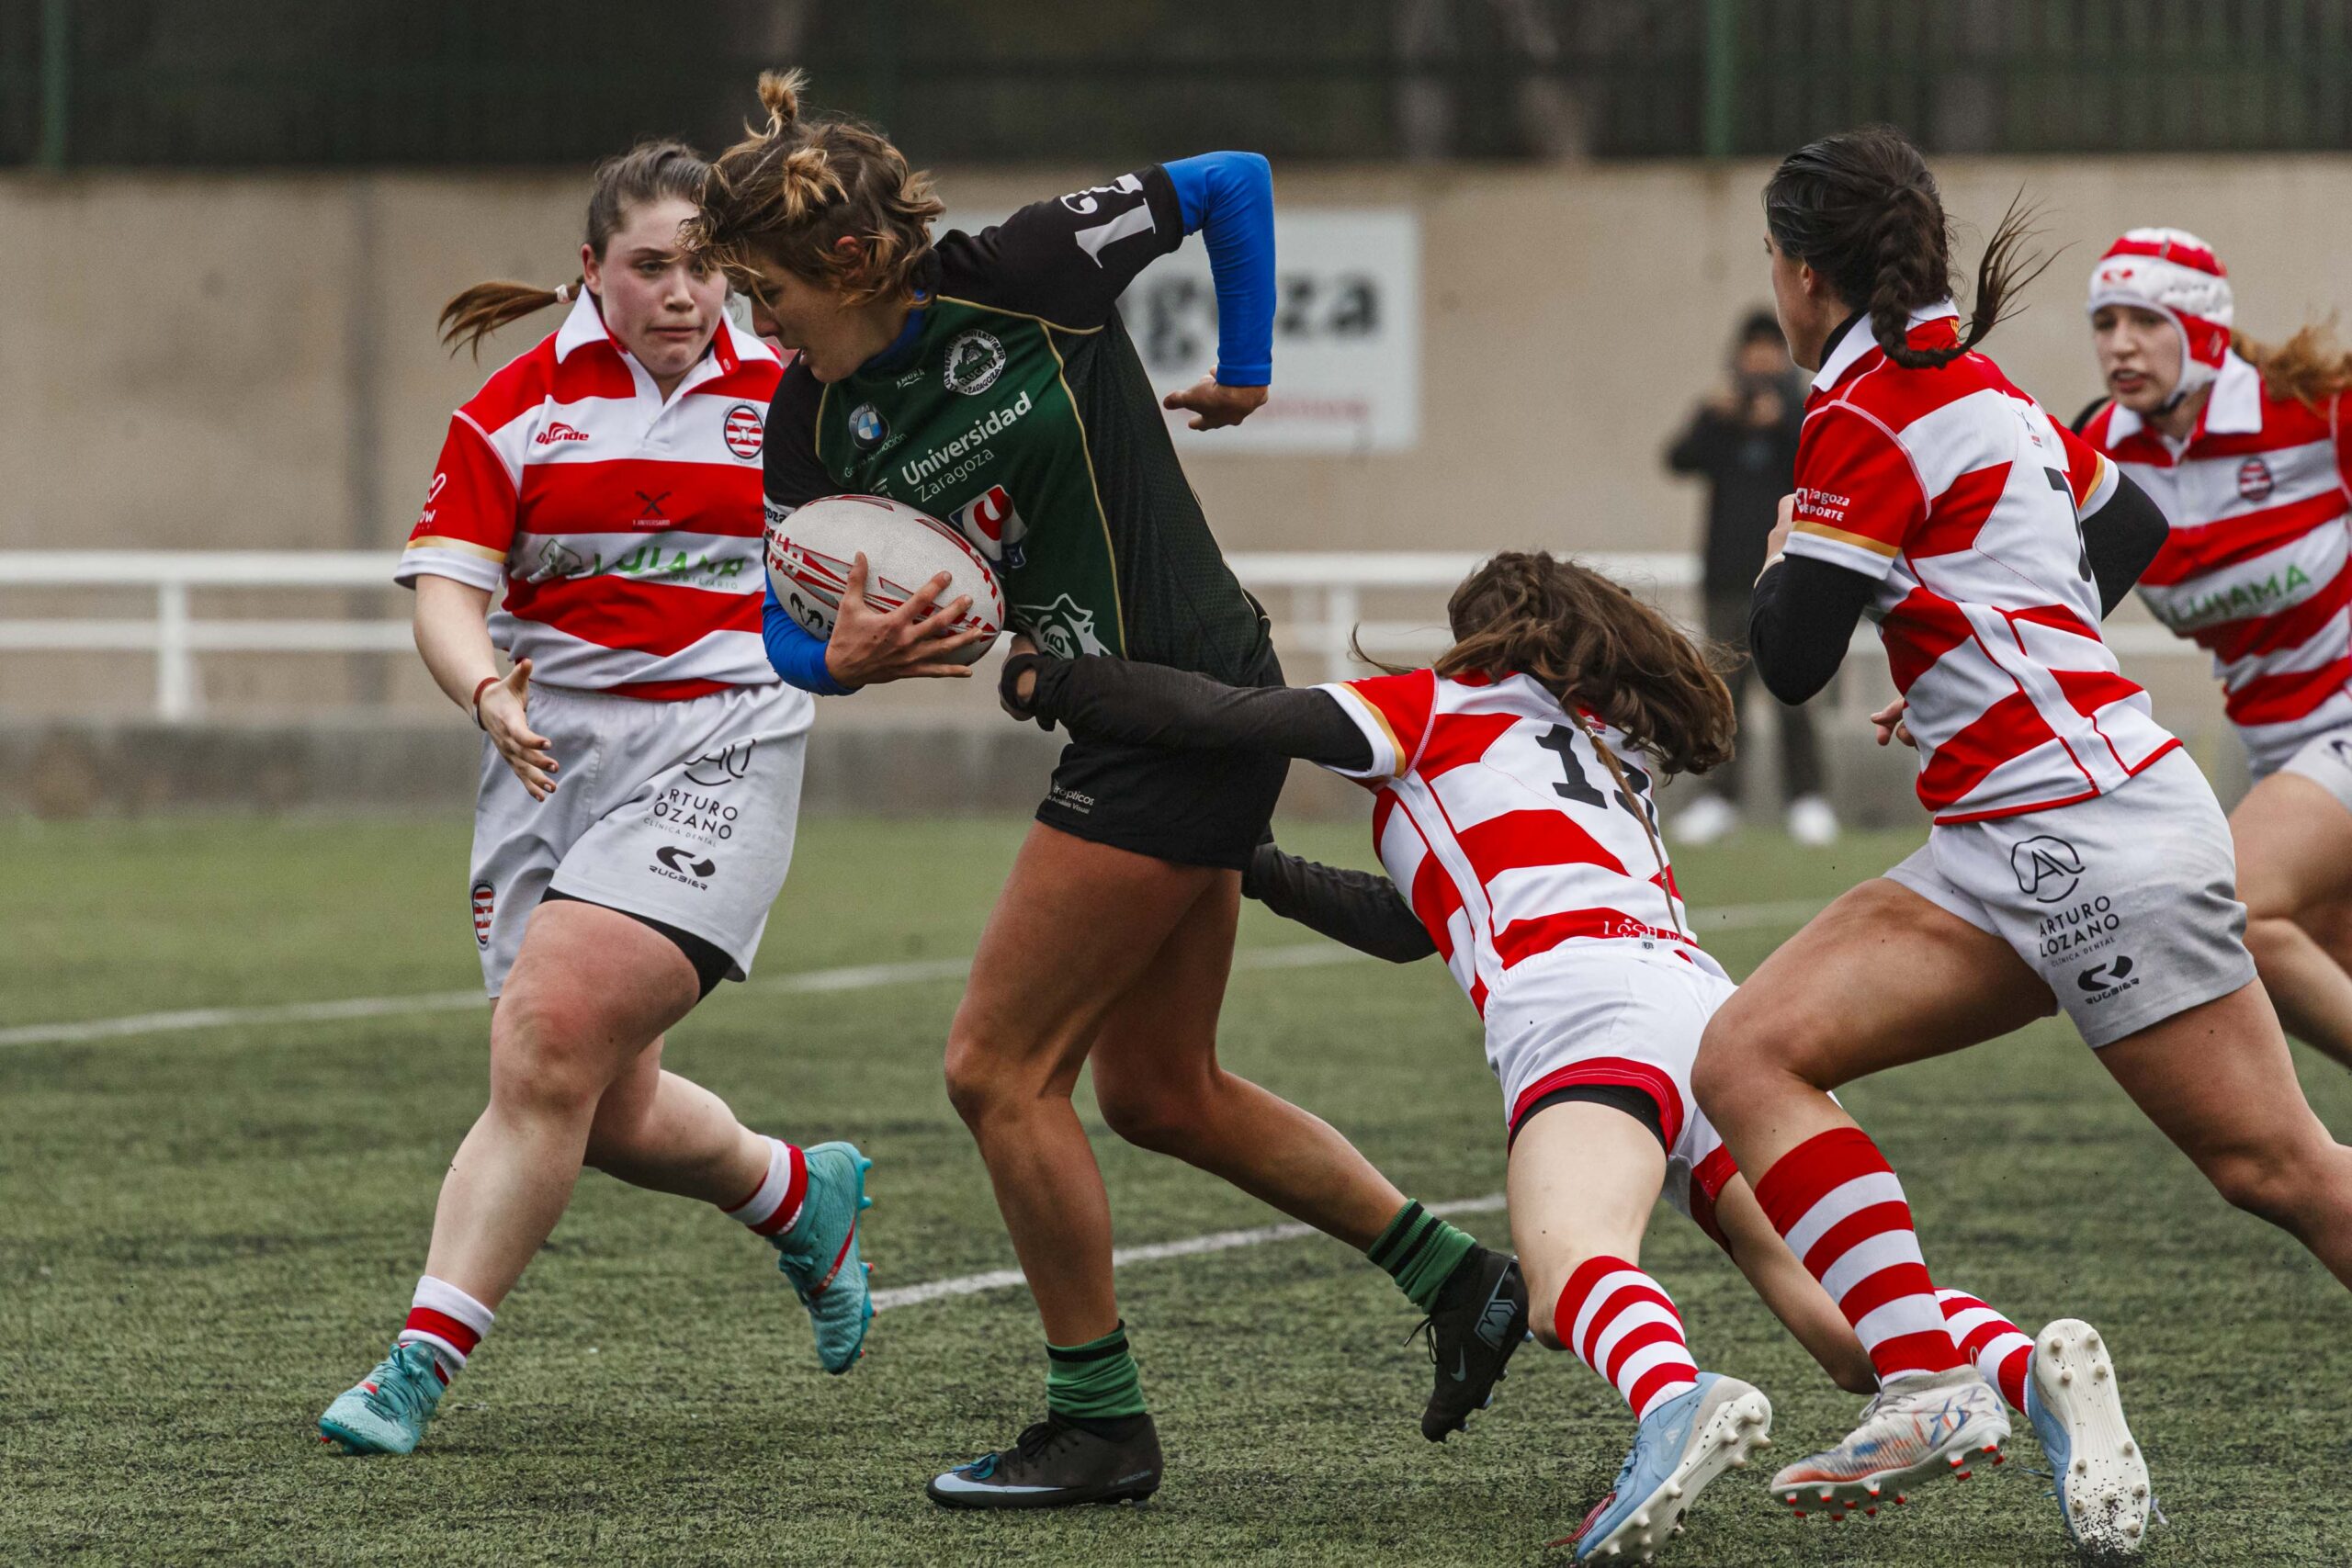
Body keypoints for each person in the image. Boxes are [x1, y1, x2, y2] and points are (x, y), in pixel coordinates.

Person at [685, 71, 1528, 1507]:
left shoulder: (1023, 272)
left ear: (845, 261)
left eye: (760, 290)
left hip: (1185, 702)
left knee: (995, 1070)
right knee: (1159, 1089)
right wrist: (845, 654)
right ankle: (1462, 1280)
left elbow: (1231, 183)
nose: (749, 322)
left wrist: (1250, 361)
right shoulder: (809, 424)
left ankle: (1100, 1424)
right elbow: (782, 619)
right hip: (1122, 718)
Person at [998, 549, 2082, 1561]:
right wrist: (1262, 868)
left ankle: (1675, 1402)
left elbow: (1230, 714)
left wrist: (1064, 687)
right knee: (1848, 1328)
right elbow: (1412, 921)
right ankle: (2031, 1378)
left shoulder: (1433, 707)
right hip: (1704, 1010)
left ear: (1489, 637)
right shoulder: (1607, 748)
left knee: (1568, 1275)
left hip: (1581, 1009)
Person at [1691, 126, 2352, 1557]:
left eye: (1772, 260)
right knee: (1748, 1052)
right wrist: (1972, 661)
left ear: (1804, 273)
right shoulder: (1974, 386)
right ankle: (1930, 1382)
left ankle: (1932, 1374)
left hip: (2091, 836)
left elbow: (1792, 655)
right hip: (2011, 836)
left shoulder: (1860, 412)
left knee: (2288, 1174)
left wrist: (1819, 576)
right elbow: (2126, 524)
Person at [318, 141, 874, 1457]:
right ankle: (802, 1193)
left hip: (723, 747)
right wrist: (486, 695)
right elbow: (450, 591)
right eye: (652, 266)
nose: (683, 292)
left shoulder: (803, 397)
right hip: (547, 765)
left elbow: (883, 555)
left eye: (703, 265)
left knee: (545, 1039)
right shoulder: (516, 409)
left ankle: (416, 1364)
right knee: (603, 1106)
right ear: (594, 271)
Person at [2073, 230, 2352, 1069]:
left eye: (2145, 321)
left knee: (2237, 908)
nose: (2119, 343)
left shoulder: (2313, 411)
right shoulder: (2099, 447)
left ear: (2203, 332)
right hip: (2276, 747)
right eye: (2104, 320)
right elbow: (2042, 586)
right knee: (2323, 950)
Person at [1664, 310, 1837, 847]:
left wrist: (1782, 417)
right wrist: (1714, 417)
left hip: (1793, 574)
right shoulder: (1720, 418)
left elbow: (1826, 460)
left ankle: (1807, 799)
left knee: (1794, 695)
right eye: (1752, 347)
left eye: (1769, 347)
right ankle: (1719, 799)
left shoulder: (1806, 413)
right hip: (1726, 580)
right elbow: (1677, 459)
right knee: (1723, 695)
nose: (1760, 357)